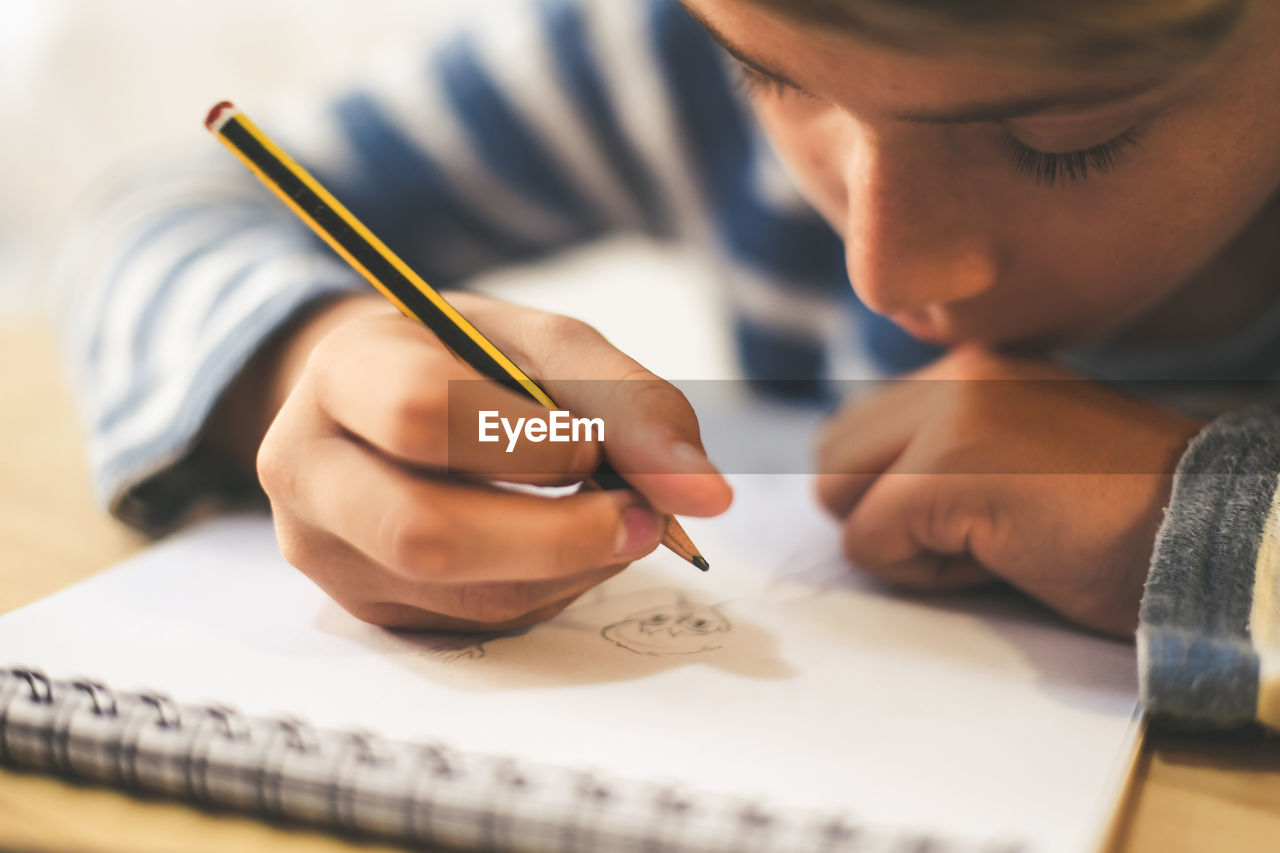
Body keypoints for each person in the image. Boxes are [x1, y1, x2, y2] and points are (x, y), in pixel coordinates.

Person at [56, 0, 1280, 731]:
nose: (883, 268)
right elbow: (153, 215)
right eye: (774, 78)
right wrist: (303, 361)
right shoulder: (664, 50)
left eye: (1061, 138)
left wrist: (1202, 531)